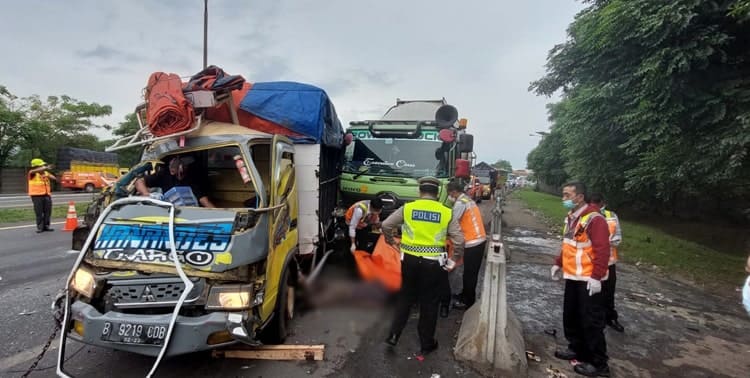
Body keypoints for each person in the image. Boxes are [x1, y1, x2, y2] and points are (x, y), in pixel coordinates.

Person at [382, 176, 464, 355]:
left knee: (406, 297)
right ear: (437, 193)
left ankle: (394, 335)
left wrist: (391, 242)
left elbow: (386, 225)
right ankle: (426, 343)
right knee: (429, 302)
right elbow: (459, 241)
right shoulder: (446, 212)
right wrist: (452, 261)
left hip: (409, 260)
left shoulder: (408, 208)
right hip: (434, 264)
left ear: (420, 191)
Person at [551, 181, 611, 377]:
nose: (564, 199)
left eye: (567, 195)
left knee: (591, 321)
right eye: (563, 195)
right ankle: (576, 348)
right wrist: (558, 263)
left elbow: (603, 250)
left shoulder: (595, 219)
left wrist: (597, 277)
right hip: (573, 276)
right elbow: (568, 244)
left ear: (579, 197)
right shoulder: (572, 217)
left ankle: (599, 364)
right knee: (572, 315)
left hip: (588, 278)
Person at [445, 180, 487, 310]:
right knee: (469, 273)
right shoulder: (467, 200)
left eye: (449, 193)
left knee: (470, 274)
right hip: (477, 240)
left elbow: (452, 222)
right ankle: (465, 295)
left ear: (453, 192)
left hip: (473, 241)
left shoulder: (460, 204)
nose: (449, 196)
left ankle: (468, 302)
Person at [590, 193, 624, 333]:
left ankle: (609, 318)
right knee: (591, 293)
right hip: (591, 262)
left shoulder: (611, 216)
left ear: (603, 203)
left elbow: (617, 239)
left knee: (609, 292)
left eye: (598, 204)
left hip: (609, 262)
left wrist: (603, 242)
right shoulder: (586, 217)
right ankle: (593, 319)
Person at [135, 156, 216, 208]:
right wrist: (146, 194)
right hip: (168, 211)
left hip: (189, 212)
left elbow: (204, 200)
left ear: (183, 168)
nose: (172, 171)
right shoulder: (164, 174)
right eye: (171, 168)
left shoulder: (193, 178)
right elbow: (139, 181)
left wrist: (220, 214)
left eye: (174, 170)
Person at [28, 158, 57, 233]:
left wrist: (47, 174)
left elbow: (54, 178)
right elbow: (33, 171)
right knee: (39, 212)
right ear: (37, 166)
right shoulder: (32, 173)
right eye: (42, 165)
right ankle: (40, 227)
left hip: (46, 195)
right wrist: (46, 167)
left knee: (48, 211)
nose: (43, 166)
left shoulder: (45, 173)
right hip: (36, 195)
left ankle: (46, 226)